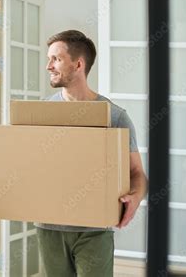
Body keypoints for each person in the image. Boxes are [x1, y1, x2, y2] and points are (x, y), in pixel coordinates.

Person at [36, 30, 148, 276]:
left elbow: (137, 173)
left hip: (95, 229)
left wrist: (136, 197)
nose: (48, 66)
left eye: (56, 59)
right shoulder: (41, 114)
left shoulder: (115, 116)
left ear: (78, 64)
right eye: (49, 59)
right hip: (49, 228)